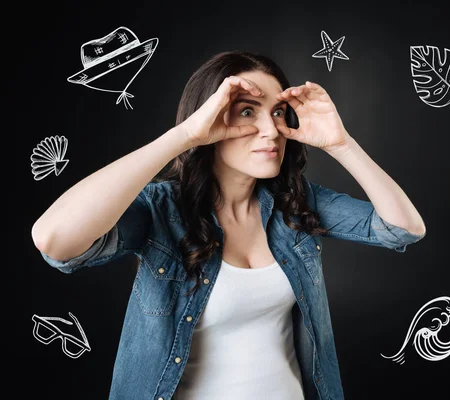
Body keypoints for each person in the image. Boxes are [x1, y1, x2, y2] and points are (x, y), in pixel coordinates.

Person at [32, 50, 426, 400]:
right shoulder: (162, 209)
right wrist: (184, 136)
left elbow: (404, 228)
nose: (271, 130)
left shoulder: (296, 202)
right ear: (210, 118)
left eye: (276, 111)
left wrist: (341, 144)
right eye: (247, 111)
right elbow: (54, 242)